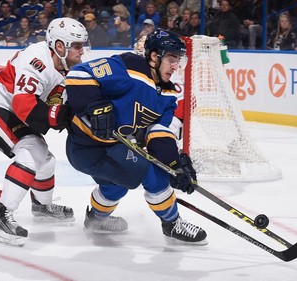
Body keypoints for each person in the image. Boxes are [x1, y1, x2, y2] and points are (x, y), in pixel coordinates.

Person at [64, 29, 208, 244]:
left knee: (117, 186)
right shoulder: (128, 67)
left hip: (113, 147)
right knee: (150, 172)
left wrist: (174, 165)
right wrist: (93, 108)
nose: (175, 66)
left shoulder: (168, 96)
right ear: (153, 56)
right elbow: (78, 75)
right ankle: (172, 223)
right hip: (84, 145)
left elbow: (157, 131)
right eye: (171, 58)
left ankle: (96, 219)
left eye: (178, 60)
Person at [0, 17, 89, 247]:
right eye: (77, 45)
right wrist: (58, 116)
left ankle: (41, 207)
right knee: (32, 150)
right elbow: (25, 107)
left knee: (46, 160)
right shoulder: (38, 60)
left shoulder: (63, 65)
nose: (82, 51)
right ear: (59, 46)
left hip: (6, 106)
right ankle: (0, 219)